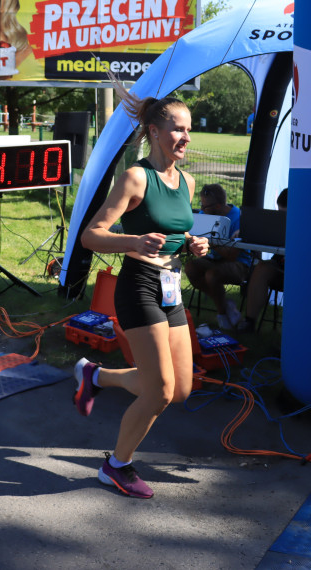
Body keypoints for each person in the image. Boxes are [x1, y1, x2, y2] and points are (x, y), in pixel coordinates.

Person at [75, 89, 210, 499]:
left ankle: (94, 375)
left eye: (189, 130)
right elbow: (91, 236)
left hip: (171, 289)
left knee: (182, 387)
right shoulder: (136, 177)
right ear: (154, 131)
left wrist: (191, 242)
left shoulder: (185, 181)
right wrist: (132, 242)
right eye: (177, 129)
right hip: (139, 287)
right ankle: (117, 465)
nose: (186, 138)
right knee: (160, 391)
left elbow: (172, 229)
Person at [183, 183, 252, 330]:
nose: (201, 210)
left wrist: (210, 242)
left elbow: (232, 255)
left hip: (240, 264)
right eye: (201, 204)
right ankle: (226, 304)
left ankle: (222, 315)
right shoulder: (205, 214)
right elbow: (192, 232)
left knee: (212, 275)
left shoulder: (239, 219)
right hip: (215, 259)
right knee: (190, 268)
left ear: (219, 206)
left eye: (205, 206)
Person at [238, 189, 288, 333]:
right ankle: (249, 322)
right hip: (281, 267)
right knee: (262, 268)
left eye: (285, 215)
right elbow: (263, 237)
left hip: (304, 271)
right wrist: (244, 234)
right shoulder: (277, 225)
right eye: (280, 214)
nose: (282, 219)